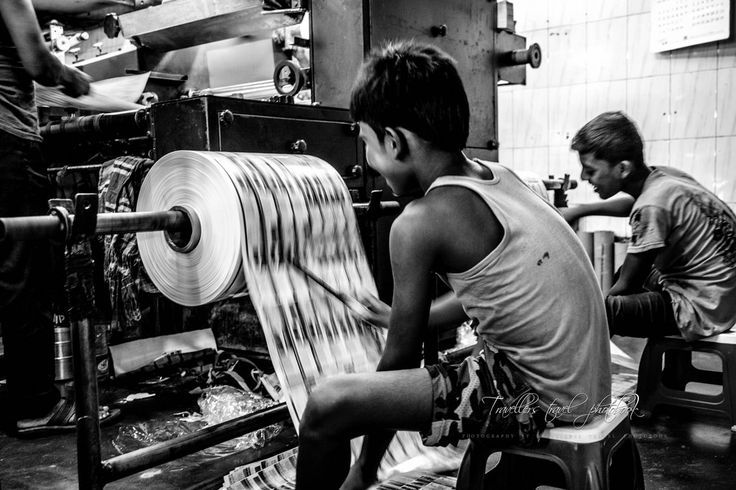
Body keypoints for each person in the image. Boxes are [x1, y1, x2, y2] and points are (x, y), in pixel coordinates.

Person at [295, 41, 611, 490]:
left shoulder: (421, 221)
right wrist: (401, 316)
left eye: (365, 142)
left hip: (541, 399)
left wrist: (365, 468)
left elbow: (400, 357)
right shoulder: (498, 177)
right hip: (587, 387)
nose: (366, 158)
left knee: (328, 406)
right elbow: (490, 293)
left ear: (393, 141)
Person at [0, 0, 101, 436]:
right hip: (8, 143)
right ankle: (37, 405)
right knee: (22, 275)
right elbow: (37, 62)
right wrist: (70, 76)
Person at [566, 111, 736, 341]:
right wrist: (580, 210)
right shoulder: (663, 179)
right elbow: (636, 204)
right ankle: (672, 371)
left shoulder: (651, 206)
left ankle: (583, 370)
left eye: (591, 170)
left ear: (623, 169)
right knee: (625, 279)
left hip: (703, 306)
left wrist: (597, 312)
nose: (584, 177)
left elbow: (628, 284)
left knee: (603, 312)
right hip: (724, 291)